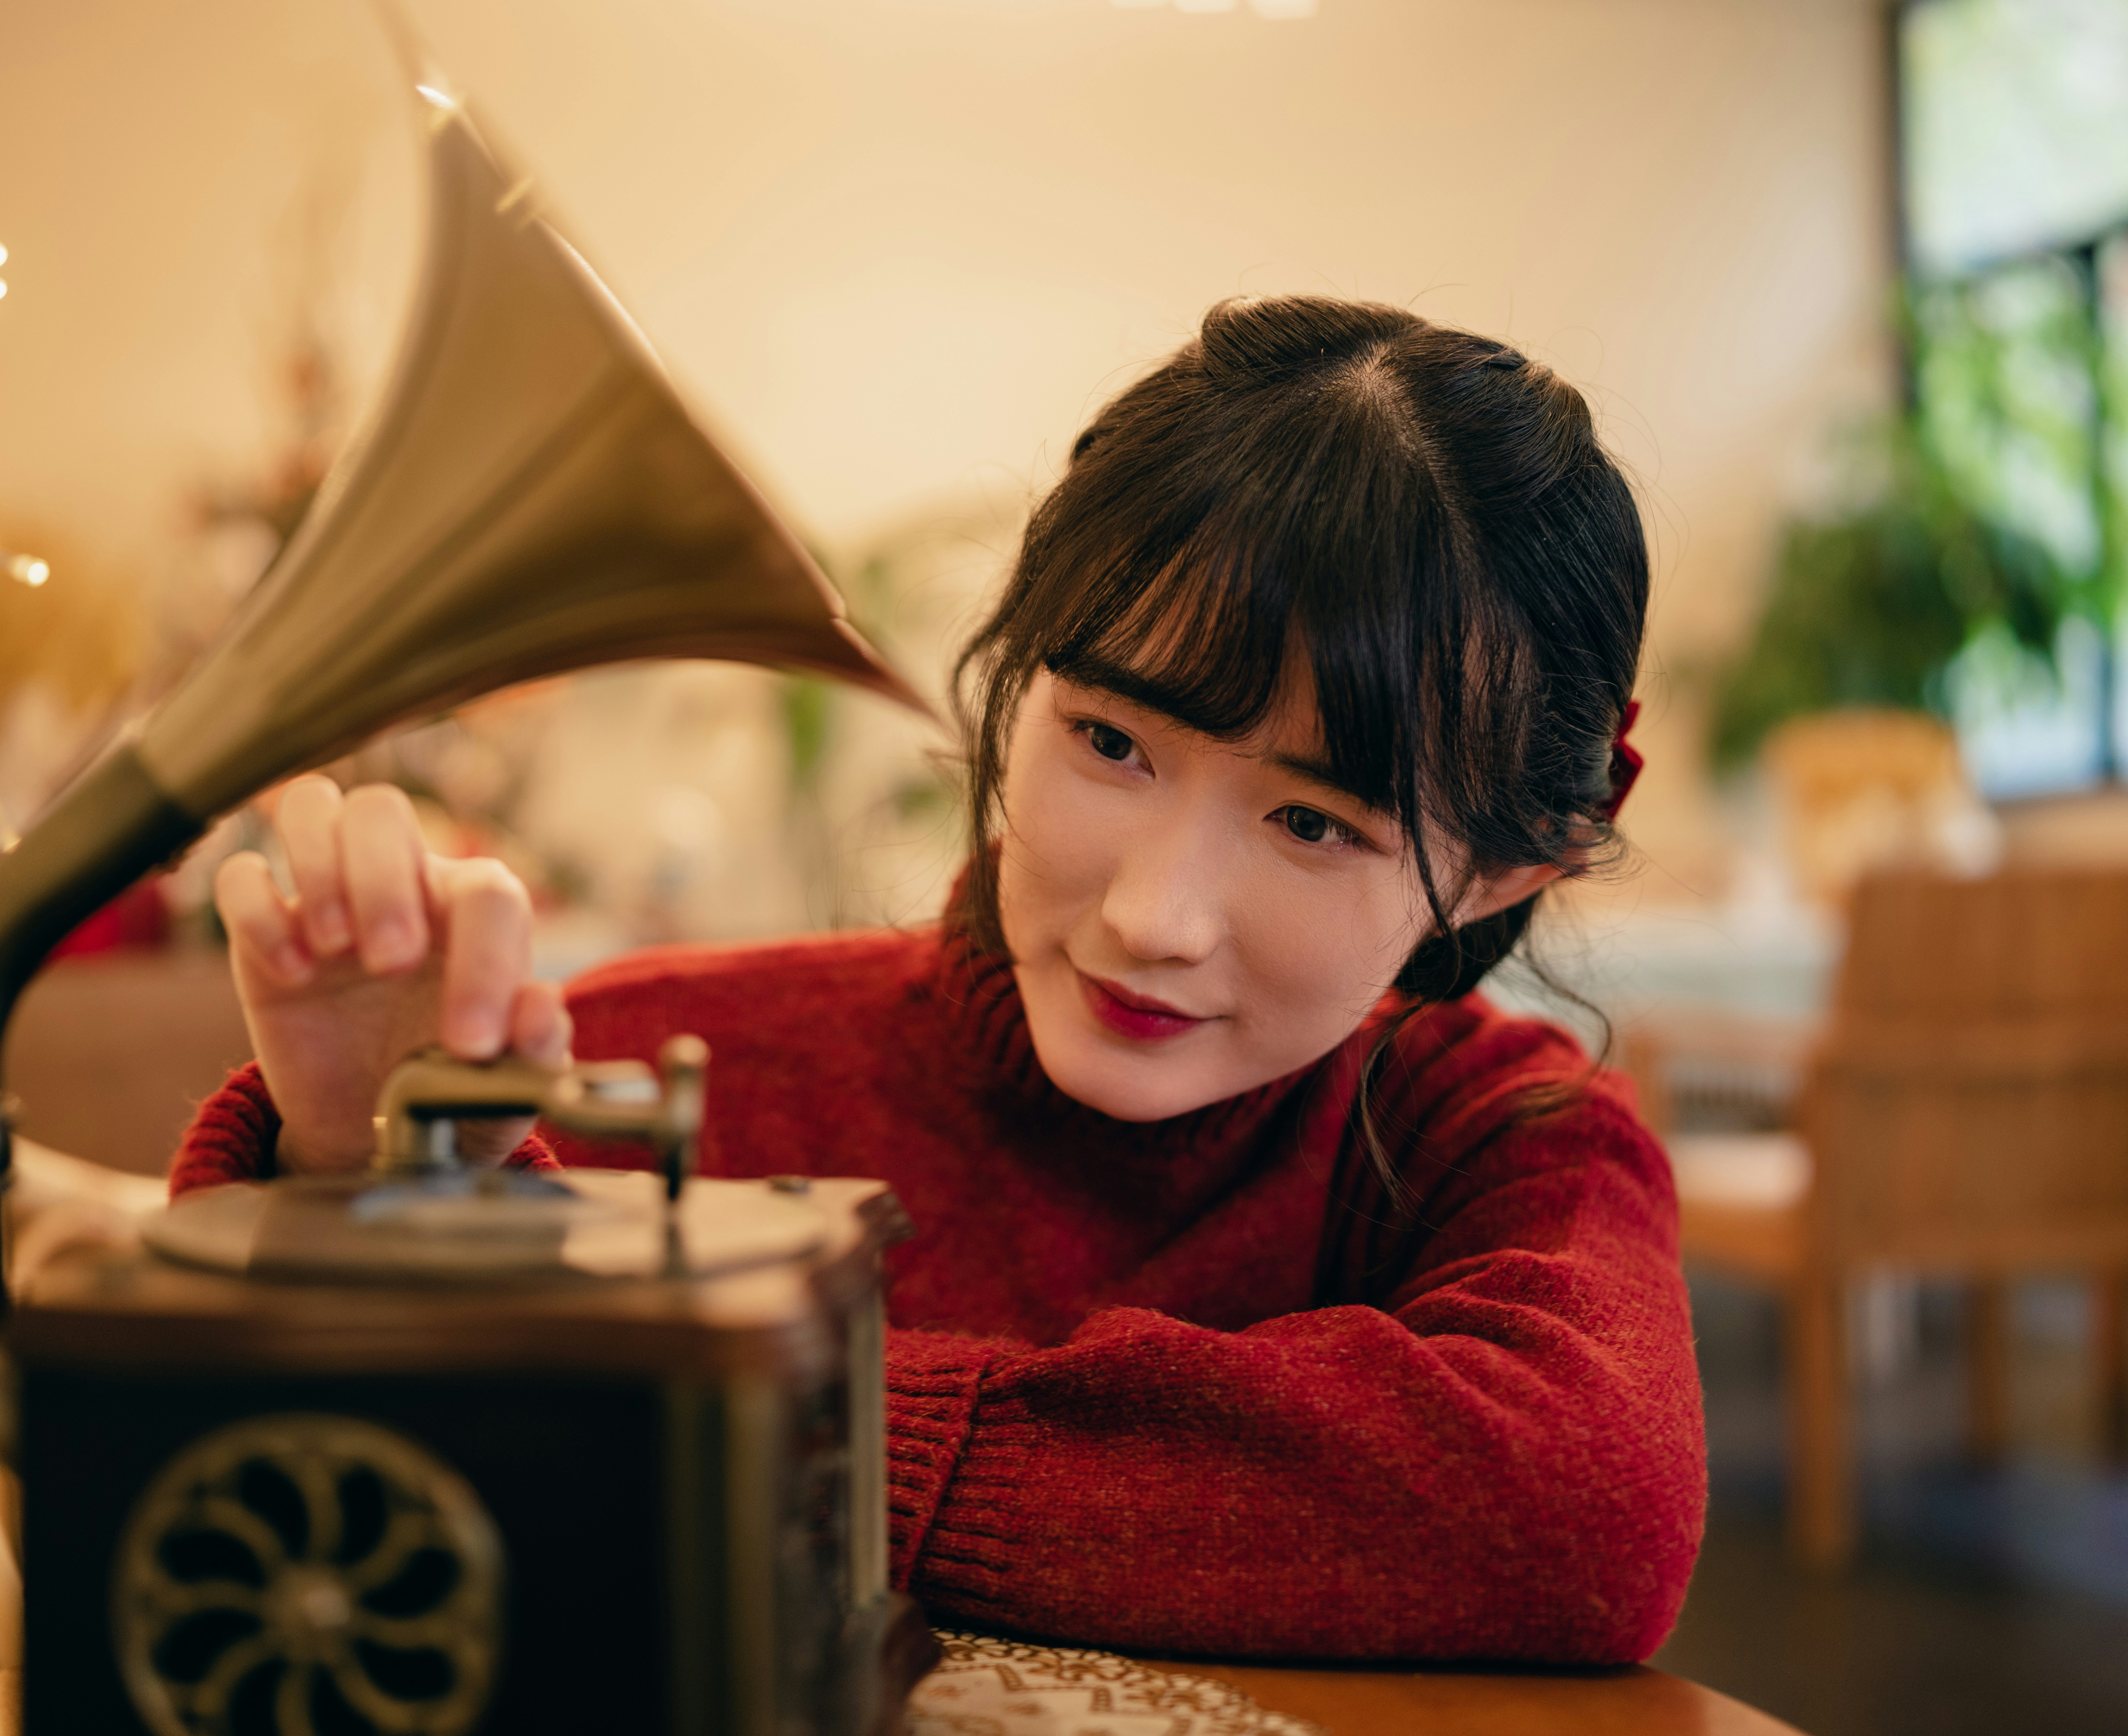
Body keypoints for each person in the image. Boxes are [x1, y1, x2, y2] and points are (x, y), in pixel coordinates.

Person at [169, 295, 1702, 1665]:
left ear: (1508, 870)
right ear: (1014, 681)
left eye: (1312, 822)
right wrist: (346, 1179)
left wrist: (725, 1405)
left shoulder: (1498, 1142)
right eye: (1109, 741)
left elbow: (1578, 1513)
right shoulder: (639, 1052)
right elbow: (254, 1535)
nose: (1157, 915)